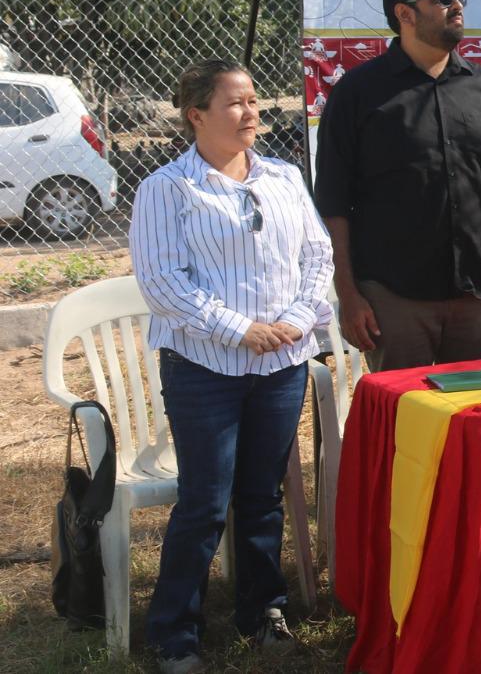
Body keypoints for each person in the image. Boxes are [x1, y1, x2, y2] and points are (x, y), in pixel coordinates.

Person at [130, 61, 333, 674]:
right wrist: (240, 330)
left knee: (262, 495)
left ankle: (262, 608)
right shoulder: (168, 188)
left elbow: (317, 255)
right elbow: (163, 281)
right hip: (204, 367)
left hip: (281, 363)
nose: (251, 113)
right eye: (235, 103)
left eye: (253, 101)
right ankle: (174, 631)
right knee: (205, 501)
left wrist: (297, 319)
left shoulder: (283, 177)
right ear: (196, 115)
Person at [314, 0, 481, 371]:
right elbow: (333, 201)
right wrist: (348, 292)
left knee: (475, 407)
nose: (457, 6)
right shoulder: (358, 93)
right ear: (405, 14)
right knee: (404, 408)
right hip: (394, 297)